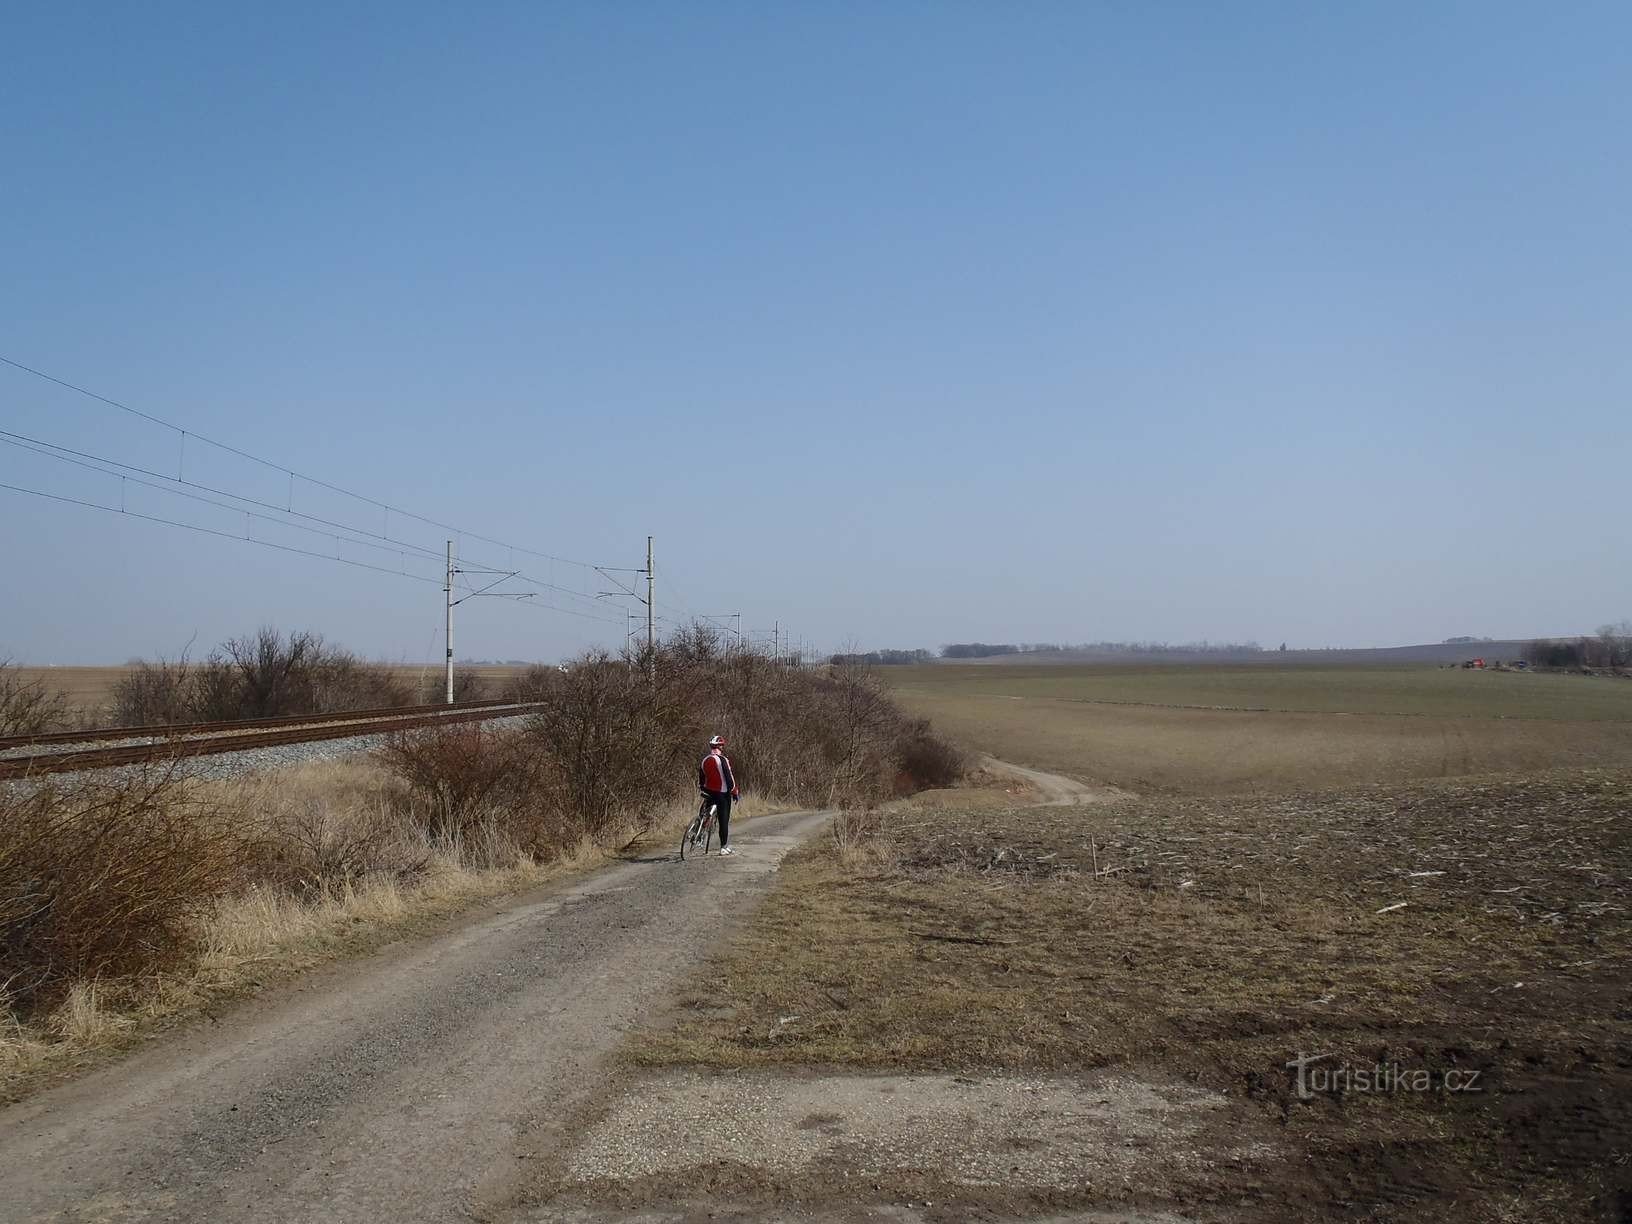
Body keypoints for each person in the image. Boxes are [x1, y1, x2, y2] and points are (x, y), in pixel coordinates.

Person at [698, 734, 740, 855]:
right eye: (722, 745)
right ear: (720, 746)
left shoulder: (705, 759)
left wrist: (702, 788)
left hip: (708, 791)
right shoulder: (723, 760)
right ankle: (723, 847)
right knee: (723, 819)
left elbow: (701, 776)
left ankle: (698, 833)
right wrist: (734, 791)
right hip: (722, 794)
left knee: (704, 813)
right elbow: (729, 777)